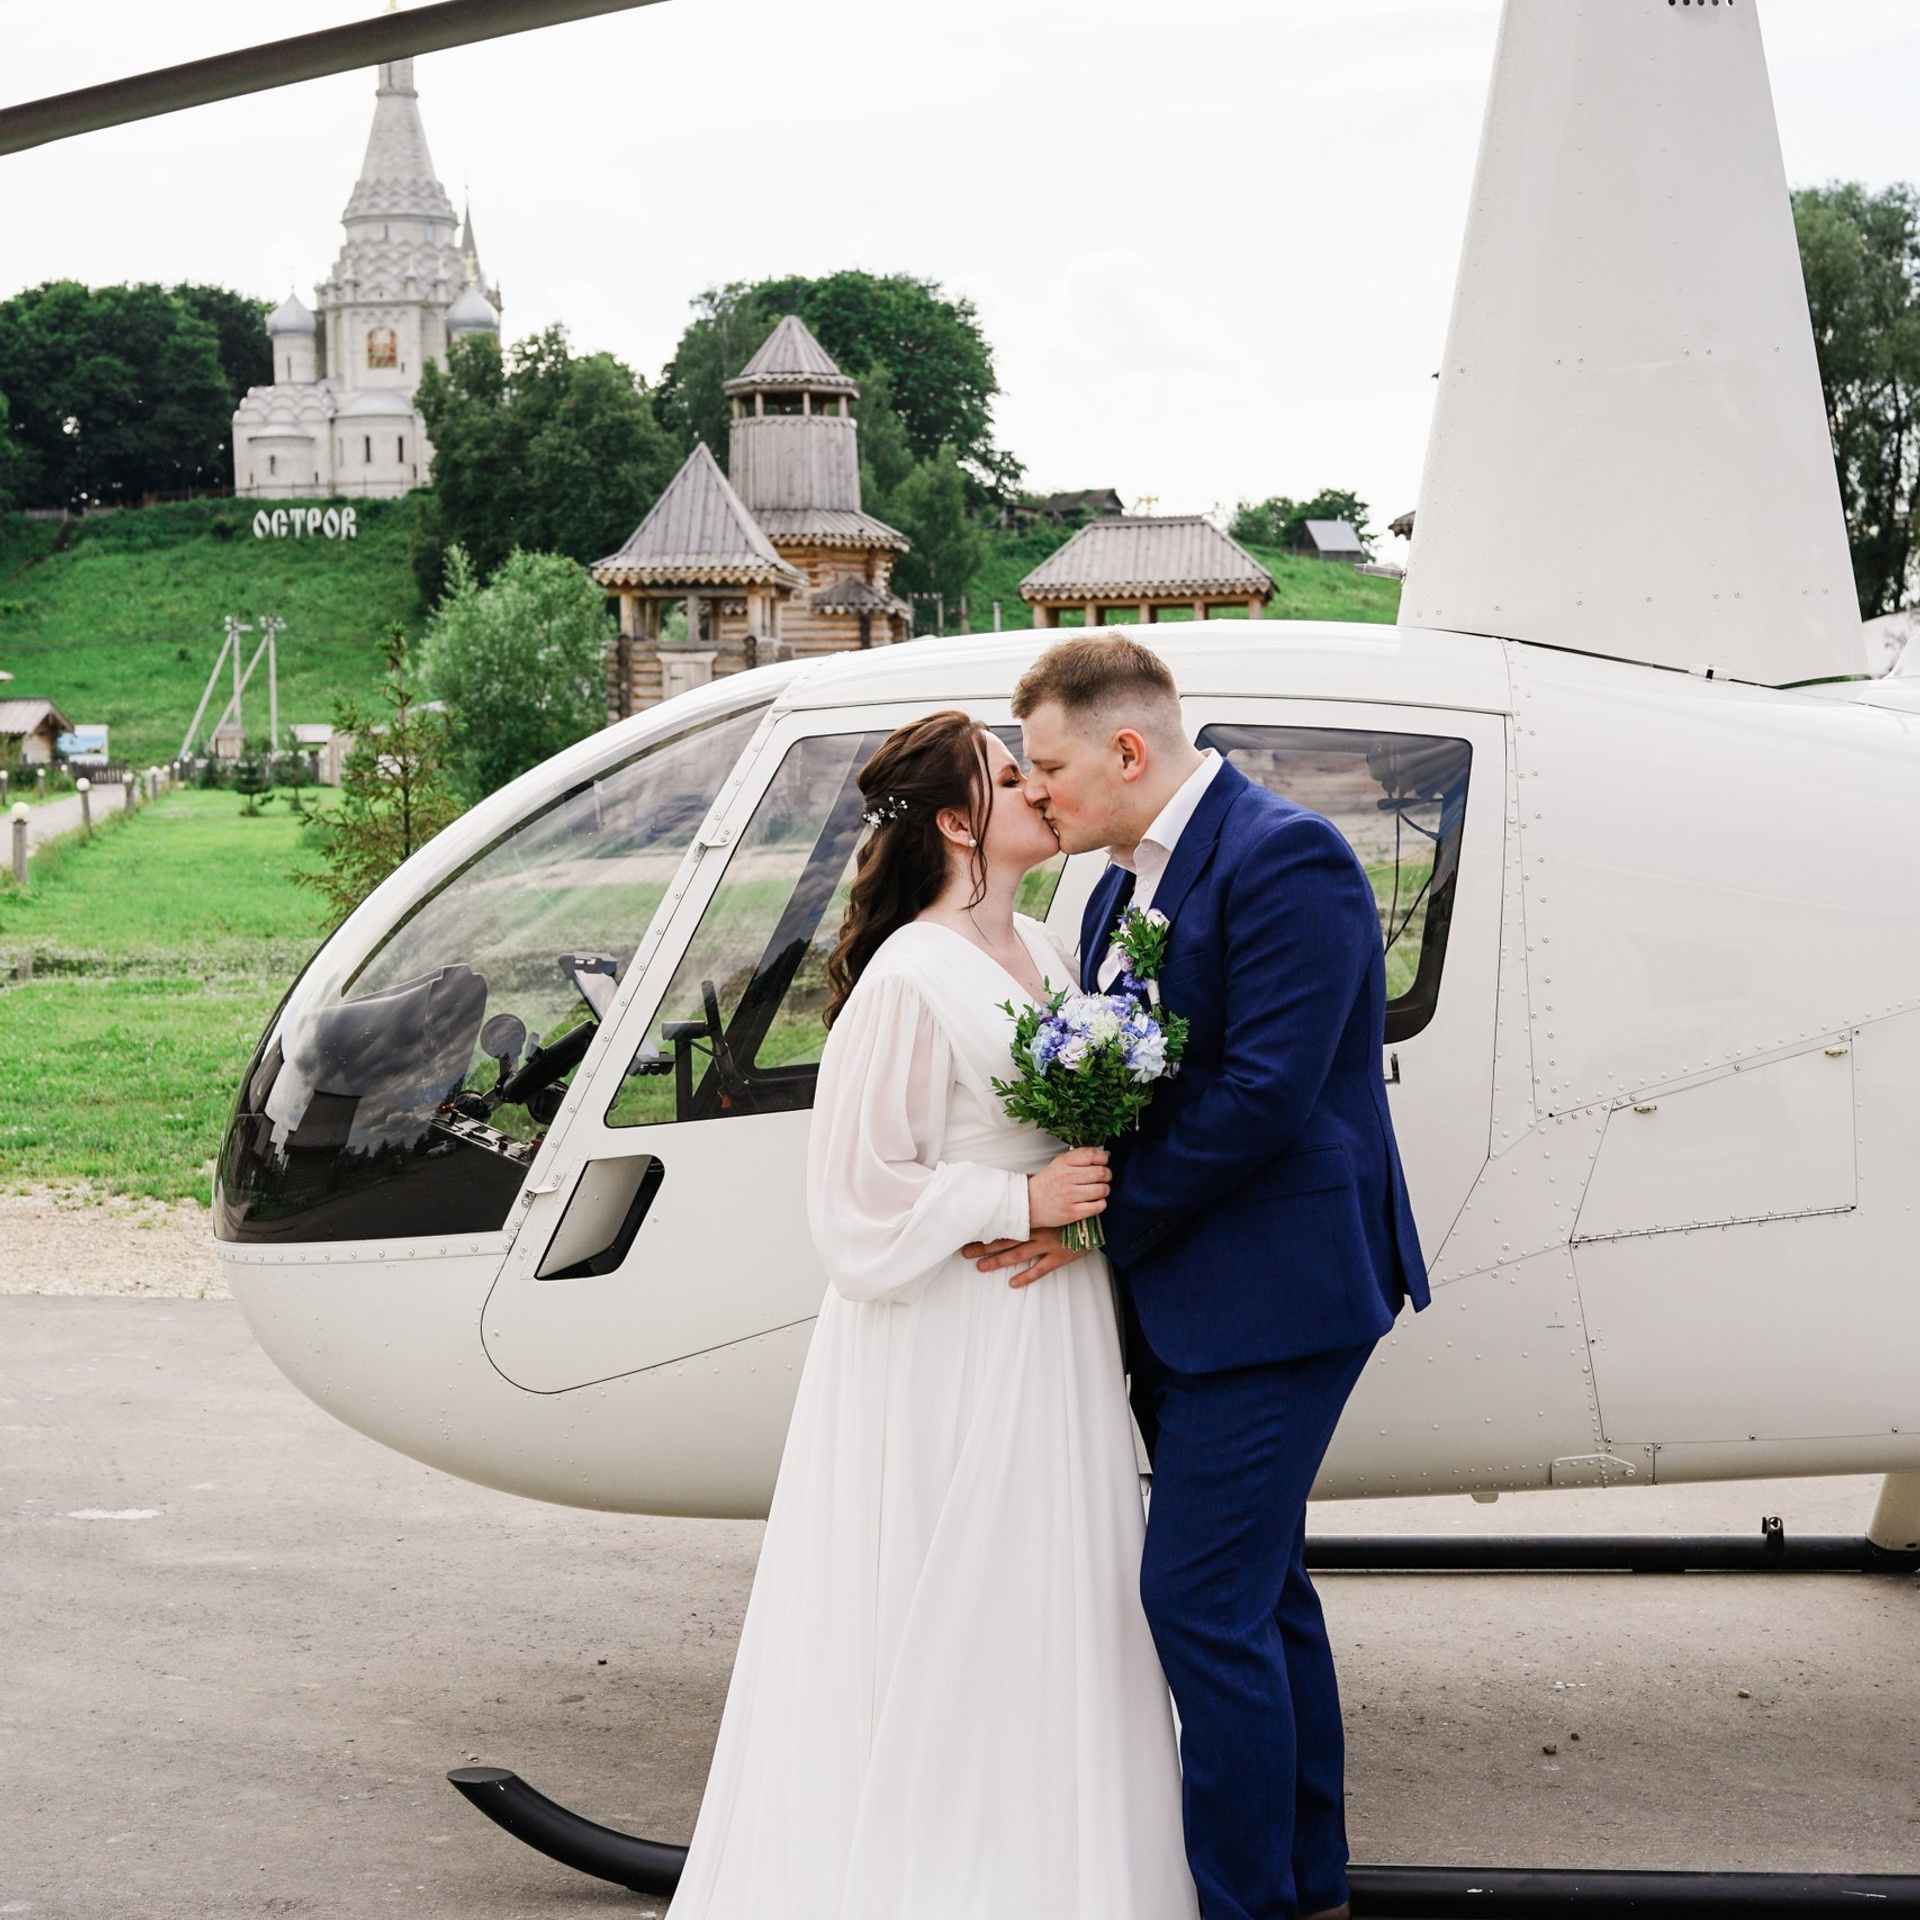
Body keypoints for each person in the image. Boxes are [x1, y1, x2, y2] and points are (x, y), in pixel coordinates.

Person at [667, 709, 1200, 1920]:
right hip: (952, 1345)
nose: (1039, 793)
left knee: (1057, 1605)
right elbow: (853, 1204)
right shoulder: (907, 978)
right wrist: (1017, 1194)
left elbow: (1082, 1156)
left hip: (1052, 1328)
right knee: (960, 1602)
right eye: (1012, 780)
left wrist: (1075, 1213)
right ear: (960, 822)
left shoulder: (1055, 958)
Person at [970, 634, 1430, 1920]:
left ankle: (1247, 1905)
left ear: (1128, 749)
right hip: (1187, 1297)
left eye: (1050, 765)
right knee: (1261, 1597)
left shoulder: (1289, 858)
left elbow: (1263, 1097)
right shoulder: (1115, 889)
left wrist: (1087, 1227)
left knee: (1196, 1600)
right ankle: (1304, 1888)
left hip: (1279, 1294)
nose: (1038, 791)